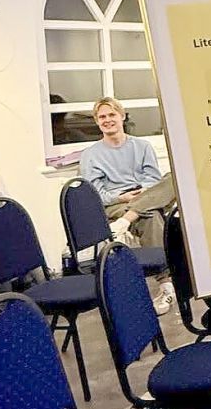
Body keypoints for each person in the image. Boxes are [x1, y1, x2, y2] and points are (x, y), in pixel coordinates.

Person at [80, 96, 178, 315]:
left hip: (143, 198)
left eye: (112, 115)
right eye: (102, 117)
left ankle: (128, 220)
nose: (107, 120)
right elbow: (96, 195)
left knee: (173, 177)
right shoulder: (91, 155)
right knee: (151, 215)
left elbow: (153, 180)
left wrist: (143, 193)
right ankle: (167, 286)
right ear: (97, 121)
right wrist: (122, 198)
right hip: (117, 204)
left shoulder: (142, 146)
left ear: (122, 117)